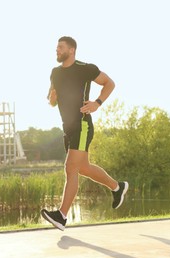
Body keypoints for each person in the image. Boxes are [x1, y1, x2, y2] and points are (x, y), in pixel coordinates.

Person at [41, 36, 128, 231]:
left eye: (60, 47)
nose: (57, 50)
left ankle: (61, 216)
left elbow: (109, 83)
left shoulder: (85, 68)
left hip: (82, 125)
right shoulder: (55, 73)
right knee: (83, 168)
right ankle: (117, 187)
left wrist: (97, 103)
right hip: (68, 128)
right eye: (56, 47)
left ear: (71, 50)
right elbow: (52, 101)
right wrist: (52, 98)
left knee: (70, 168)